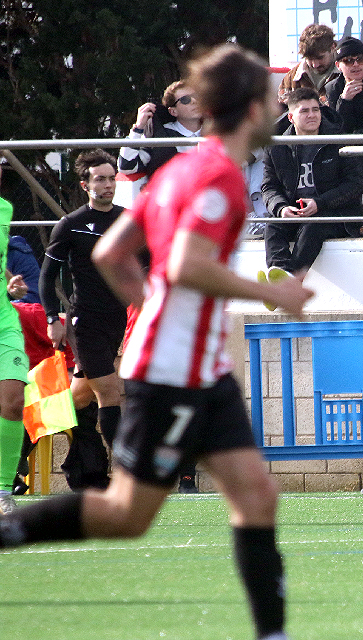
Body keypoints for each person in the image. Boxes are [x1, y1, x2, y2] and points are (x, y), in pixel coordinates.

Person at [0, 44, 313, 640]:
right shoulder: (219, 176)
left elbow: (110, 252)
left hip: (200, 369)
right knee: (127, 515)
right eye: (272, 100)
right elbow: (190, 265)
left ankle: (273, 635)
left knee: (255, 496)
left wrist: (149, 309)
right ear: (251, 108)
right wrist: (271, 292)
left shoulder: (178, 171)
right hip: (172, 372)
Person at [39, 150, 127, 449]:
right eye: (100, 179)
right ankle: (126, 477)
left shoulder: (128, 220)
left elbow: (149, 264)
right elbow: (46, 277)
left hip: (116, 319)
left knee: (80, 396)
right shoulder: (71, 224)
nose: (108, 185)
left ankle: (25, 435)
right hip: (84, 321)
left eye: (111, 179)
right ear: (85, 185)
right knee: (110, 392)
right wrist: (53, 318)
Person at [259, 88, 363, 285]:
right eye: (305, 111)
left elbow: (355, 184)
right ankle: (280, 273)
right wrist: (281, 208)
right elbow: (269, 187)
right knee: (273, 226)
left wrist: (320, 203)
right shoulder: (276, 146)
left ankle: (288, 284)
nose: (312, 115)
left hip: (337, 215)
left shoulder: (339, 140)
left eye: (315, 110)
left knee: (314, 226)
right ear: (291, 117)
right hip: (295, 212)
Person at [0, 197, 30, 514]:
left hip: (4, 324)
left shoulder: (5, 208)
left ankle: (3, 493)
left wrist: (9, 281)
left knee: (13, 401)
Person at [118, 80, 203, 179]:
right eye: (185, 100)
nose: (194, 101)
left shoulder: (216, 131)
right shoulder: (158, 135)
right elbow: (126, 166)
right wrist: (138, 127)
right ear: (173, 111)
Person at [277, 23, 339, 105]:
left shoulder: (347, 74)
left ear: (333, 47)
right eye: (309, 59)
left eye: (320, 58)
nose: (315, 65)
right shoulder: (292, 78)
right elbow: (280, 108)